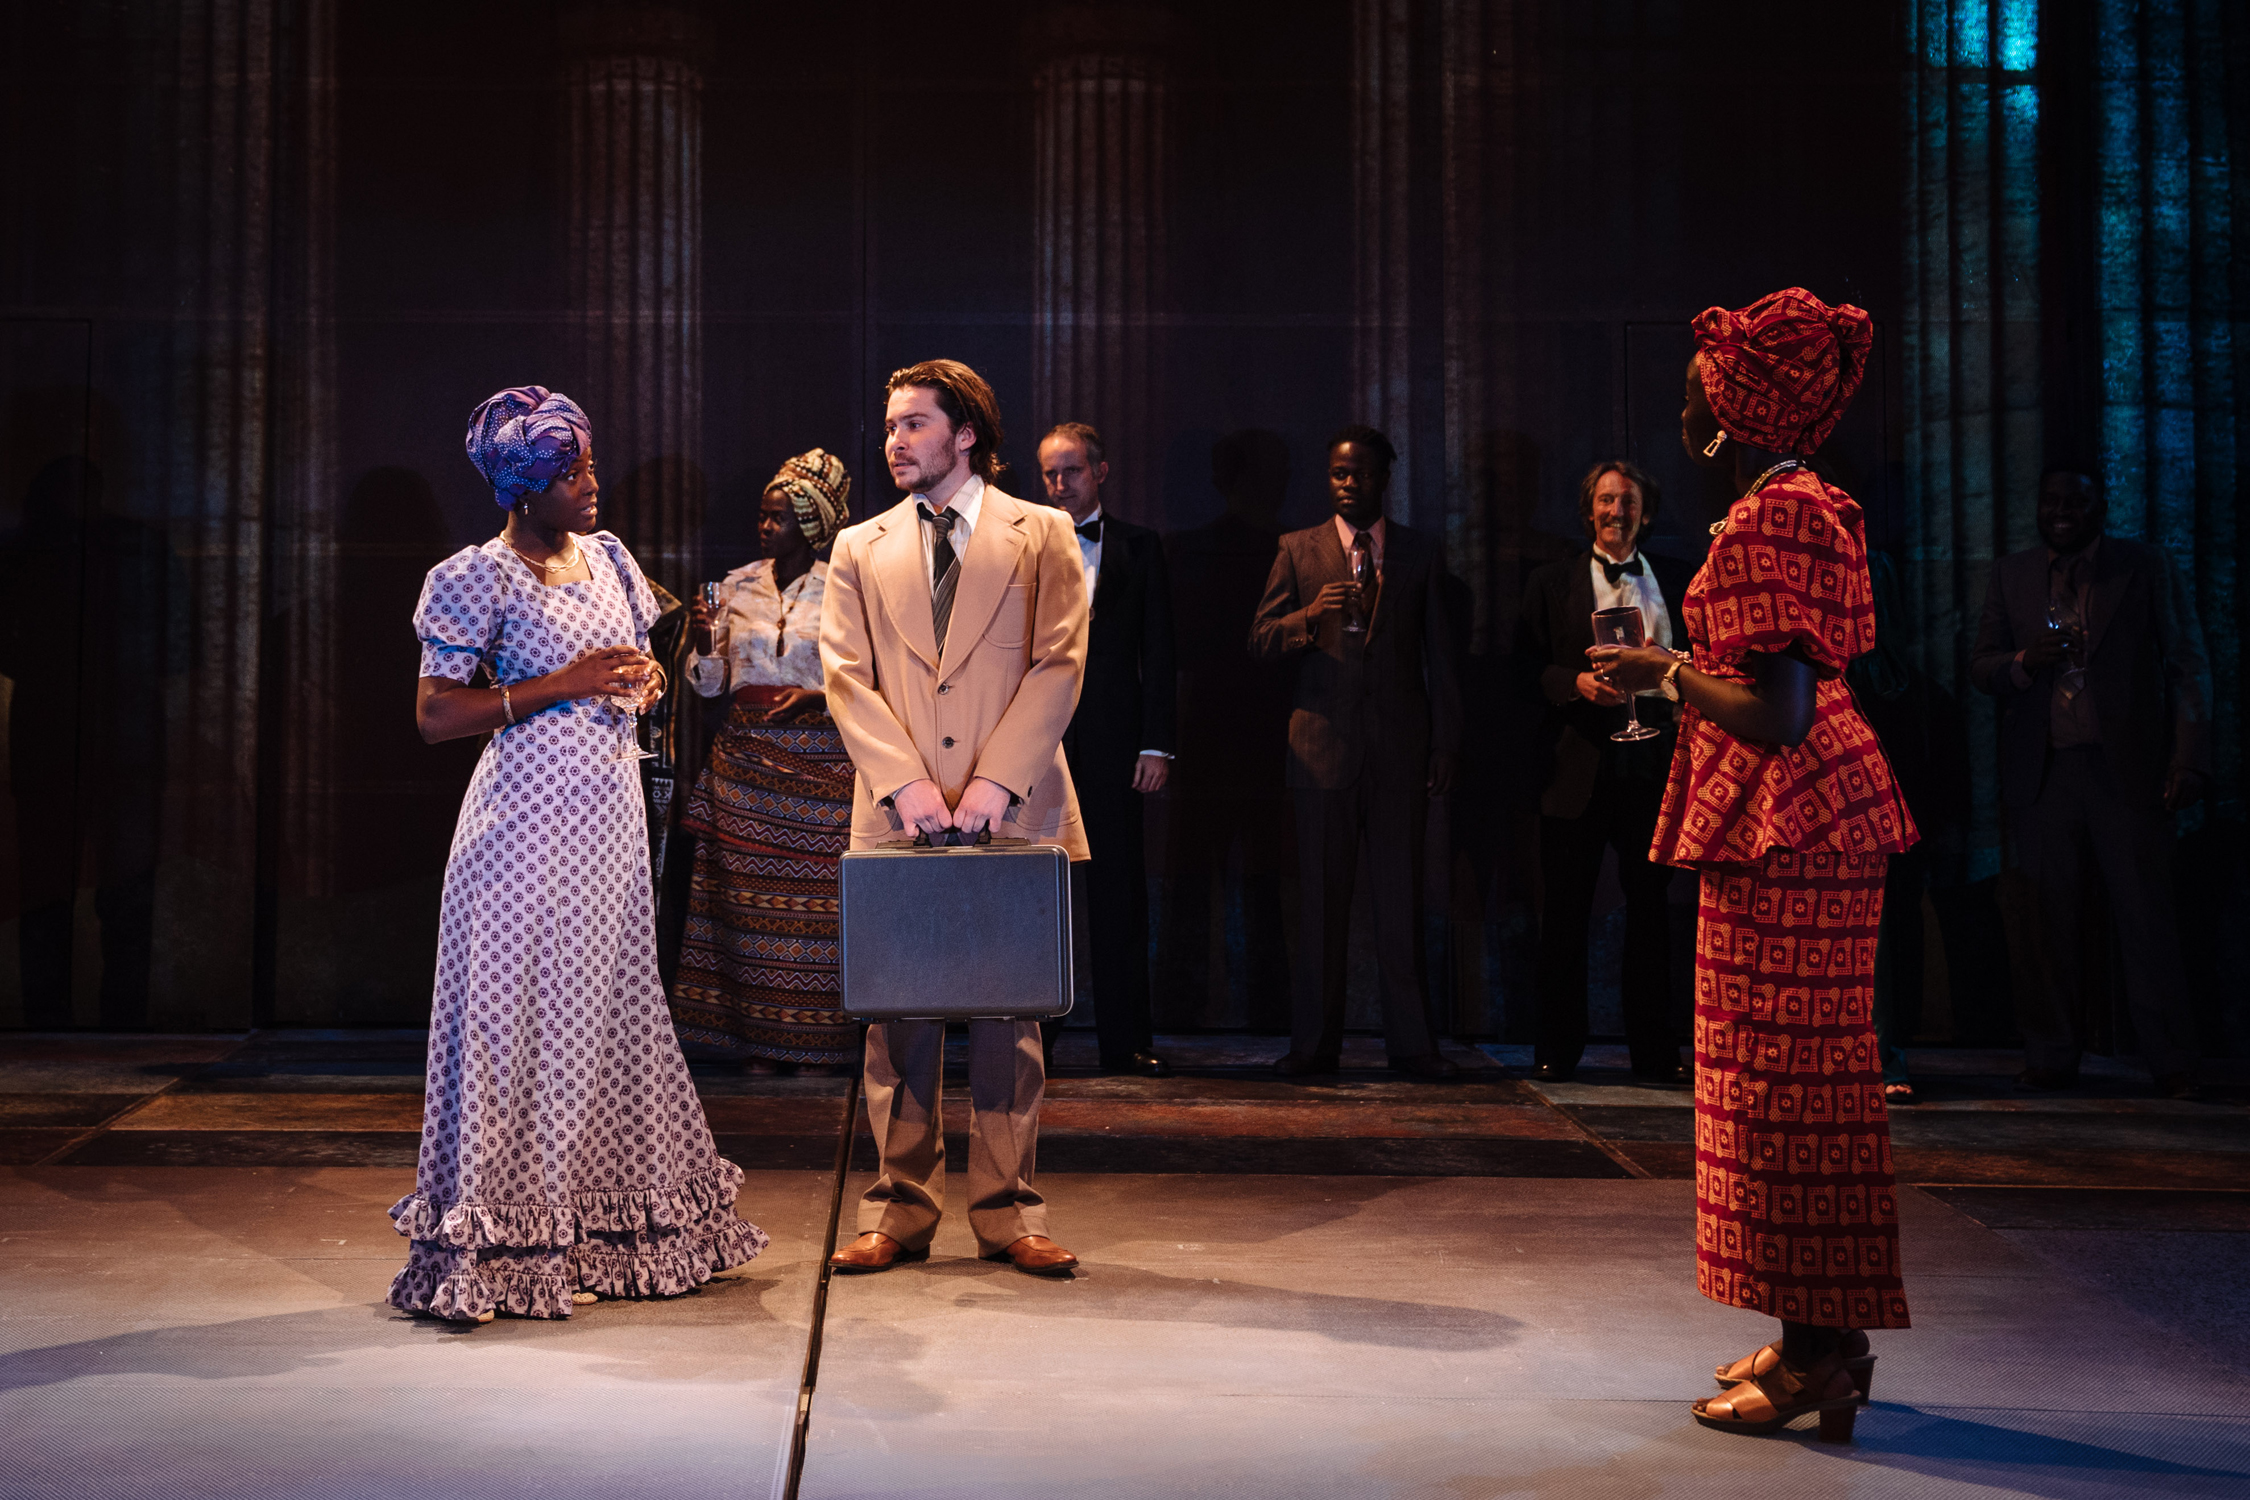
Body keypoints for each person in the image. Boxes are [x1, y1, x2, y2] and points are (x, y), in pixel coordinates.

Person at [1592, 290, 1916, 1438]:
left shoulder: (1775, 516)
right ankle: (1817, 1339)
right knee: (1785, 1090)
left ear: (1732, 411)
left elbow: (1778, 712)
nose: (1685, 407)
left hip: (1795, 822)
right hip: (1800, 824)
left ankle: (1820, 1356)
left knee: (1791, 1096)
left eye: (1698, 391)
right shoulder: (1797, 502)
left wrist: (1666, 674)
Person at [392, 385, 767, 1324]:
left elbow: (626, 667)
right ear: (523, 488)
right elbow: (436, 715)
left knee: (605, 1018)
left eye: (591, 465)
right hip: (520, 832)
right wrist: (563, 683)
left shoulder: (610, 559)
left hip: (606, 826)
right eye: (572, 473)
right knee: (518, 1023)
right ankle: (508, 1246)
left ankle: (606, 1236)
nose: (593, 485)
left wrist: (639, 680)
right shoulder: (476, 577)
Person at [819, 359, 1089, 1277]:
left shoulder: (1040, 532)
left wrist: (996, 783)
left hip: (1009, 804)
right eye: (892, 425)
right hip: (899, 809)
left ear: (965, 434)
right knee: (898, 1016)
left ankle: (1009, 1212)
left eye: (915, 424)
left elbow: (1059, 663)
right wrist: (904, 784)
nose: (894, 441)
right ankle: (898, 1208)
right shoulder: (860, 546)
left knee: (1011, 1015)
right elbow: (845, 676)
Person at [1969, 468, 2210, 1101]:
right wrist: (2025, 662)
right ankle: (2052, 1055)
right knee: (2047, 924)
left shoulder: (2143, 565)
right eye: (2051, 501)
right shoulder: (2013, 573)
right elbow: (1982, 665)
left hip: (2126, 770)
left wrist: (2189, 759)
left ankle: (2172, 1060)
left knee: (2146, 918)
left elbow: (2187, 663)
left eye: (2075, 502)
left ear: (2099, 506)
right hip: (2046, 773)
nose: (2061, 512)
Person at [1249, 425, 1463, 1080]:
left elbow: (1441, 659)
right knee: (1319, 907)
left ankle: (1414, 1048)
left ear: (1383, 479)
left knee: (1401, 905)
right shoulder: (1298, 548)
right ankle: (1314, 1047)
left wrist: (1445, 743)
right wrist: (1311, 615)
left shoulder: (1419, 552)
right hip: (1320, 753)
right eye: (1339, 473)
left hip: (1399, 751)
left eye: (1360, 473)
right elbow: (1261, 639)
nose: (1348, 484)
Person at [670, 449, 858, 1074]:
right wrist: (704, 641)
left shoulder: (845, 588)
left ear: (811, 523)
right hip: (746, 763)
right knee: (746, 907)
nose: (766, 527)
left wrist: (817, 696)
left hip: (821, 767)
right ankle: (759, 1042)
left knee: (816, 911)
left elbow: (871, 675)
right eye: (762, 516)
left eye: (780, 518)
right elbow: (708, 685)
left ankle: (816, 1045)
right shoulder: (736, 585)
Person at [1515, 459, 1693, 1087]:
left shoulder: (1679, 578)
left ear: (1646, 510)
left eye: (1629, 501)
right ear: (1589, 508)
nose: (1618, 511)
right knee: (1565, 914)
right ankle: (1557, 1050)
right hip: (1577, 768)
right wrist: (1575, 683)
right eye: (1607, 500)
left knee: (1652, 914)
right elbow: (1520, 668)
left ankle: (1655, 1052)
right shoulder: (1549, 581)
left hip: (1654, 764)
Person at [1036, 421, 1176, 1078]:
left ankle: (1126, 1042)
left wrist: (1157, 745)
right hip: (1037, 745)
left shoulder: (1139, 546)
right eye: (1050, 474)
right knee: (1039, 894)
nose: (1060, 484)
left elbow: (1161, 651)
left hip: (1117, 743)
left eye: (1071, 471)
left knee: (1118, 892)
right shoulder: (1021, 546)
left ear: (1100, 471)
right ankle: (1031, 1041)